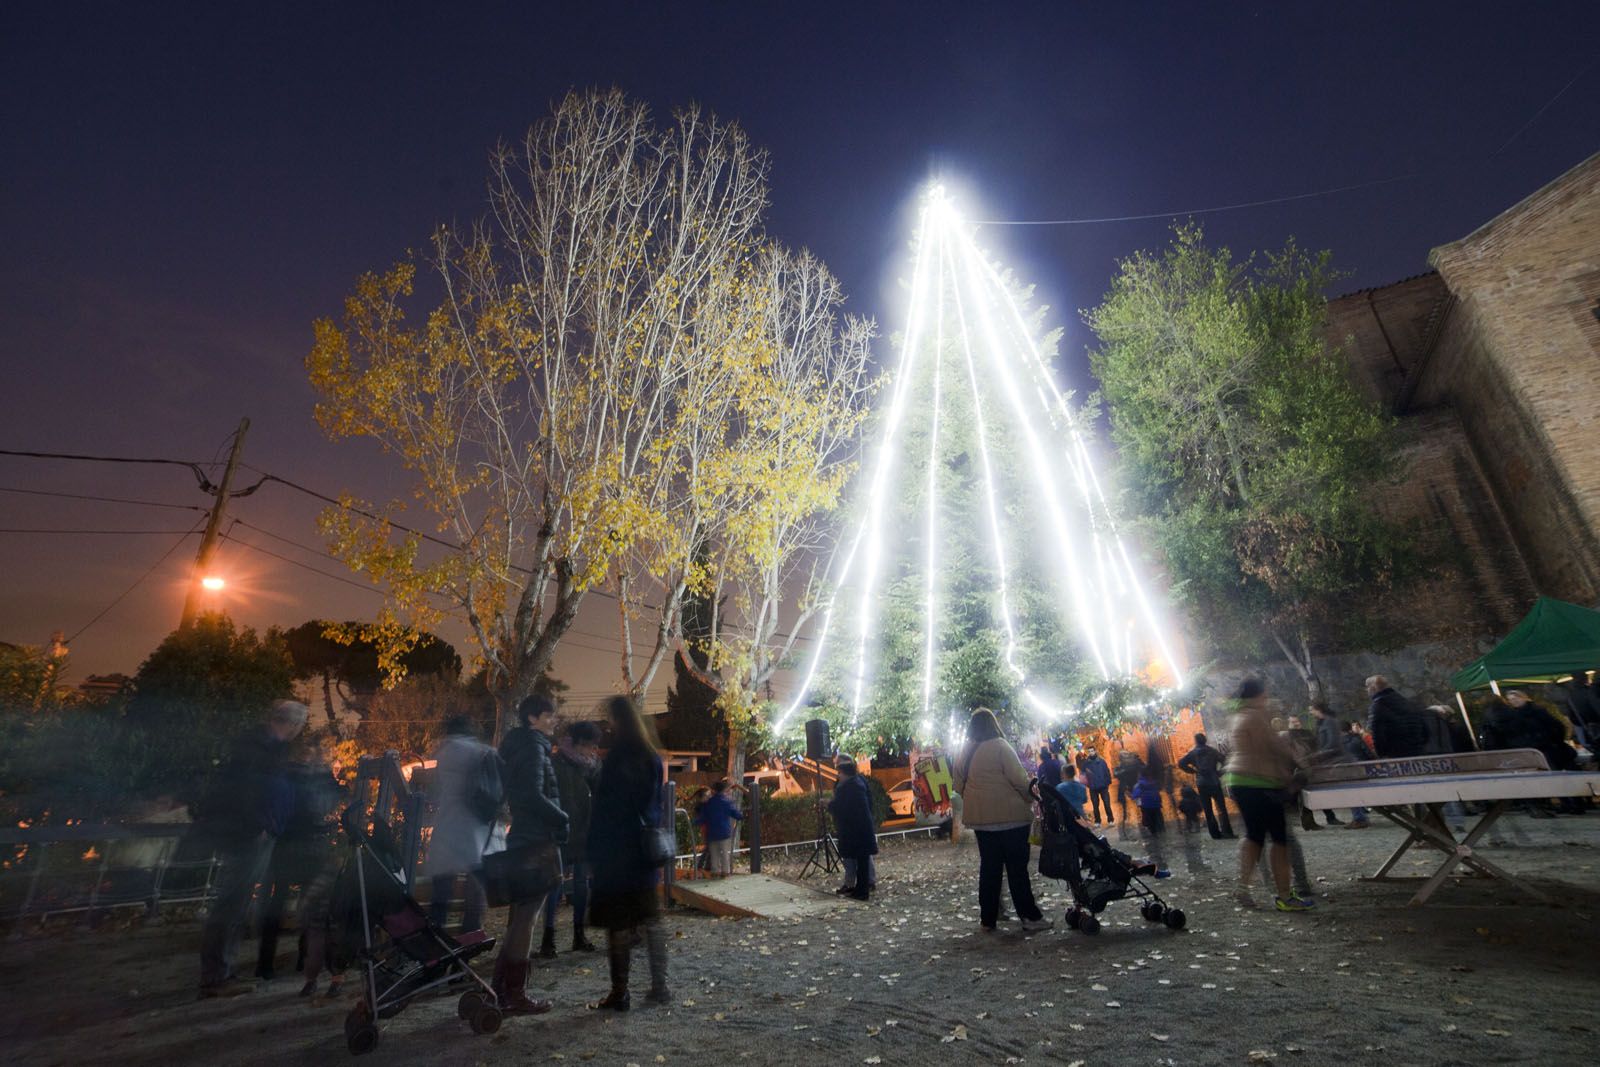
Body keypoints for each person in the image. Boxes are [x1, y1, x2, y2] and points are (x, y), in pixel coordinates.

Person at [195, 699, 307, 998]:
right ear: (293, 724)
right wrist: (257, 825)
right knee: (232, 902)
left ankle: (221, 972)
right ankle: (216, 977)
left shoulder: (265, 746)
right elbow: (247, 789)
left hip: (257, 831)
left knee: (237, 902)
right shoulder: (260, 747)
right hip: (251, 834)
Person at [587, 695, 669, 1011]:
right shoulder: (651, 756)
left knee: (618, 925)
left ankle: (620, 991)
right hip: (645, 850)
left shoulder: (617, 757)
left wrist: (594, 851)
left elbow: (605, 808)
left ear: (618, 721)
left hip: (617, 852)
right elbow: (655, 803)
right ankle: (660, 986)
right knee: (652, 920)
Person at [492, 694, 568, 1015]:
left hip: (523, 837)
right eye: (549, 715)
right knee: (527, 918)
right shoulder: (534, 748)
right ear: (533, 719)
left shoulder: (519, 746)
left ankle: (498, 988)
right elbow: (533, 795)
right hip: (535, 840)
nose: (554, 720)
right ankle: (515, 994)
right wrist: (561, 818)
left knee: (521, 917)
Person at [949, 708, 1051, 933]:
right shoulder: (1000, 746)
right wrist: (1029, 799)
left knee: (989, 869)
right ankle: (1029, 917)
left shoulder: (963, 751)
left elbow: (957, 786)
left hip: (981, 822)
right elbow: (1019, 779)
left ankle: (988, 919)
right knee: (1017, 870)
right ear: (993, 724)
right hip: (1011, 819)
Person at [256, 735, 343, 981]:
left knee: (277, 900)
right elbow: (331, 803)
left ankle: (265, 964)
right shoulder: (323, 777)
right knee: (311, 902)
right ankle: (303, 958)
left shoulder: (287, 773)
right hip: (312, 843)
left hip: (286, 842)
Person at [1222, 679, 1313, 912]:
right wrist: (1299, 766)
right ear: (1258, 695)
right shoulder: (1256, 716)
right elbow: (1275, 747)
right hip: (1261, 782)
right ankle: (1285, 896)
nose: (1267, 699)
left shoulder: (1236, 715)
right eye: (1265, 695)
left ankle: (1242, 888)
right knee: (1279, 840)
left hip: (1239, 780)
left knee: (1253, 836)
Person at [427, 715, 500, 936]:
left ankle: (437, 938)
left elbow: (435, 790)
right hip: (476, 825)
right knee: (476, 886)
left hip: (447, 823)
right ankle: (471, 934)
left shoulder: (443, 753)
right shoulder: (481, 752)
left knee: (442, 887)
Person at [542, 720, 601, 956]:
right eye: (589, 745)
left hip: (586, 831)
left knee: (581, 884)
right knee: (556, 883)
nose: (592, 751)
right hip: (563, 830)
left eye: (594, 746)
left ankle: (578, 934)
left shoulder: (595, 767)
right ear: (576, 743)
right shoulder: (557, 763)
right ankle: (549, 936)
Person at [1309, 702, 1367, 828]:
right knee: (1349, 788)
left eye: (1312, 710)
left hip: (1339, 761)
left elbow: (1332, 743)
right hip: (1335, 761)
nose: (1310, 712)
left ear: (1318, 709)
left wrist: (1318, 755)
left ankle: (1360, 818)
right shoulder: (1325, 722)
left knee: (1349, 788)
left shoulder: (1329, 722)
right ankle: (1359, 817)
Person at [829, 757, 879, 900]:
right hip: (861, 830)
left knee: (862, 862)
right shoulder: (857, 783)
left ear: (845, 773)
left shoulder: (852, 787)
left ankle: (862, 891)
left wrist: (830, 805)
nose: (838, 776)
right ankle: (860, 889)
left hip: (857, 831)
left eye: (839, 773)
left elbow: (845, 808)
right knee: (862, 861)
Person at [1178, 733, 1235, 839]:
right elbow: (1225, 761)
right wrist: (1220, 772)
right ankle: (1227, 832)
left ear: (1196, 741)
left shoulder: (1193, 753)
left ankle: (1215, 834)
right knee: (1222, 808)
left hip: (1202, 783)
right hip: (1214, 782)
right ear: (1205, 740)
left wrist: (1193, 771)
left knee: (1208, 809)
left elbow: (1181, 763)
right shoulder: (1212, 751)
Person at [1366, 675, 1431, 758]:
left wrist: (1382, 754)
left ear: (1374, 688)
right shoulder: (1406, 701)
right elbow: (1424, 726)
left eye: (1367, 687)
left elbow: (1377, 734)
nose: (1367, 690)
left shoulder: (1378, 706)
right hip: (1419, 750)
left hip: (1398, 754)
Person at [694, 778, 743, 878]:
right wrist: (741, 815)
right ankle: (725, 872)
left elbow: (703, 817)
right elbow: (736, 814)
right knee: (725, 854)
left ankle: (715, 871)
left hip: (712, 833)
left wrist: (695, 822)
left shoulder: (708, 803)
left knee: (714, 854)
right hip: (724, 833)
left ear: (714, 790)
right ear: (723, 790)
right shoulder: (726, 802)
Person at [1129, 766, 1171, 877]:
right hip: (1156, 804)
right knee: (1158, 818)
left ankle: (1154, 835)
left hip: (1146, 806)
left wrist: (1131, 795)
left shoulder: (1140, 784)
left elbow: (1135, 795)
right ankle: (1160, 832)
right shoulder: (1154, 782)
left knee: (1148, 821)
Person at [1080, 749, 1113, 825]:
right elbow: (1083, 775)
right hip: (1093, 787)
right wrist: (1088, 784)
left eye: (1092, 751)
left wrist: (1107, 783)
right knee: (1095, 805)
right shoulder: (1086, 764)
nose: (1091, 753)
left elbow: (1107, 772)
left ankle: (1110, 819)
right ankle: (1097, 820)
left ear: (1095, 751)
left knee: (1107, 804)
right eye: (1089, 751)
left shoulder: (1101, 761)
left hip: (1103, 787)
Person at [1113, 750, 1144, 829]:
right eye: (1123, 755)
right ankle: (1132, 823)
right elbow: (1116, 774)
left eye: (1126, 755)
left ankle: (1141, 821)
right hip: (1127, 789)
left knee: (1140, 805)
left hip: (1135, 787)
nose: (1125, 757)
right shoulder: (1121, 766)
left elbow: (1142, 769)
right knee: (1131, 807)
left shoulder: (1134, 763)